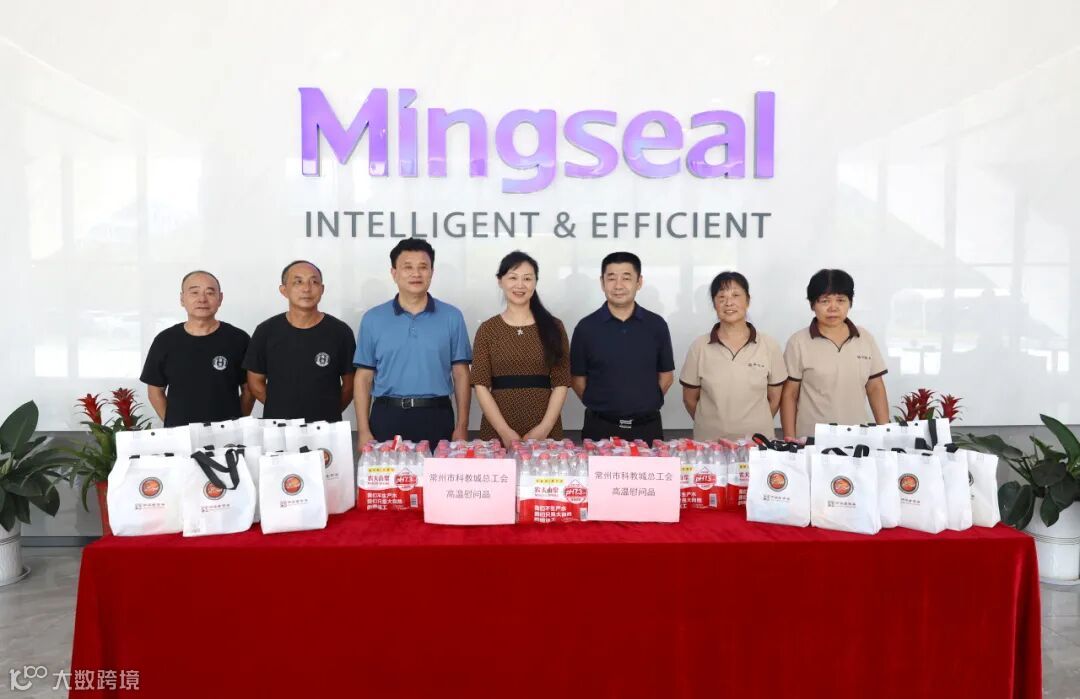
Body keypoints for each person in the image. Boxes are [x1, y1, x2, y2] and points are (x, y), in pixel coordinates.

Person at [353, 239, 471, 445]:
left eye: (423, 267)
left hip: (437, 416)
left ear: (432, 272)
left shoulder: (452, 316)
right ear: (394, 273)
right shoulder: (373, 319)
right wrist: (363, 430)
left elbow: (461, 374)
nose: (416, 274)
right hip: (386, 416)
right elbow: (364, 378)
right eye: (407, 267)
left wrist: (462, 426)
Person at [570, 251, 675, 442]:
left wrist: (642, 404)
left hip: (647, 428)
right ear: (602, 282)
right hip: (600, 428)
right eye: (611, 278)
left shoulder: (656, 325)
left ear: (639, 282)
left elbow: (666, 377)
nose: (618, 285)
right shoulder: (586, 328)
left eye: (626, 278)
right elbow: (578, 381)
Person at [470, 251, 571, 444]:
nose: (520, 285)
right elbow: (480, 384)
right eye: (513, 278)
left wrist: (544, 428)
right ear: (500, 281)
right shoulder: (488, 329)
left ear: (535, 282)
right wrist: (504, 431)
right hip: (497, 430)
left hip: (545, 430)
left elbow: (561, 382)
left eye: (527, 278)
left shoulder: (554, 327)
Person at [780, 268, 889, 439]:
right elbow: (790, 394)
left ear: (850, 302)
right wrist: (790, 439)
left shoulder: (864, 338)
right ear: (812, 304)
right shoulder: (798, 342)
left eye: (840, 300)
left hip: (858, 438)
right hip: (812, 440)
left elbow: (875, 388)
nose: (833, 308)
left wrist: (886, 434)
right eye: (825, 301)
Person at [243, 261, 355, 423]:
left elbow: (349, 385)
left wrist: (328, 410)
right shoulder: (266, 331)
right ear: (284, 290)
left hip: (326, 426)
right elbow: (255, 382)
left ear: (322, 289)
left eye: (314, 282)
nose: (306, 288)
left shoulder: (340, 332)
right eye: (298, 282)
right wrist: (280, 408)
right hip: (279, 427)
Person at [680, 272, 787, 440]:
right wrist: (712, 425)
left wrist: (754, 424)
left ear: (748, 300)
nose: (729, 302)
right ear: (714, 304)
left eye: (736, 295)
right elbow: (689, 399)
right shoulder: (699, 347)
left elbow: (774, 399)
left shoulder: (769, 345)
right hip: (710, 442)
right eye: (721, 297)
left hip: (757, 442)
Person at [140, 270, 252, 427]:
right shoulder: (165, 340)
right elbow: (155, 391)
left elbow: (249, 389)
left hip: (227, 433)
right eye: (194, 292)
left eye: (210, 293)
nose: (202, 299)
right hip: (181, 434)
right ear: (182, 299)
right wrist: (174, 425)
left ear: (220, 298)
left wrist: (236, 424)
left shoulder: (238, 339)